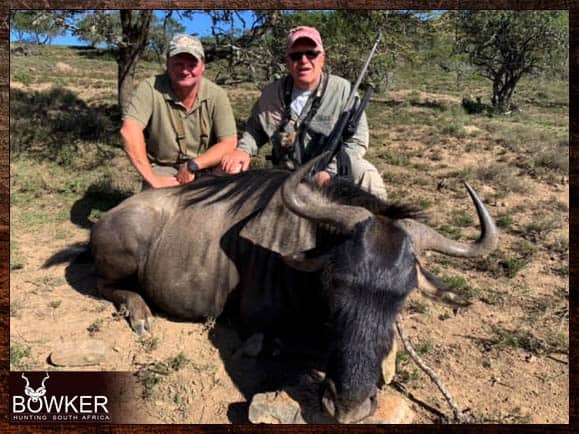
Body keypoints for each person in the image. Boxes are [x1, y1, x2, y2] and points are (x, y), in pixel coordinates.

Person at [220, 26, 387, 199]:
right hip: (286, 174)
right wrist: (243, 151)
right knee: (232, 171)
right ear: (287, 60)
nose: (304, 61)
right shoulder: (271, 94)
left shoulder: (343, 90)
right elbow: (255, 131)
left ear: (322, 58)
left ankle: (381, 223)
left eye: (311, 54)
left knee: (366, 174)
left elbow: (357, 140)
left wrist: (329, 172)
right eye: (296, 55)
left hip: (331, 172)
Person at [121, 34, 237, 189]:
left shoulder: (216, 94)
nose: (185, 71)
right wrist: (153, 179)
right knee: (157, 208)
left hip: (203, 166)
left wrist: (194, 165)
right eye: (178, 64)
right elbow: (129, 131)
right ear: (167, 64)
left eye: (192, 64)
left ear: (203, 66)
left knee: (236, 168)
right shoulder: (149, 88)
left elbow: (228, 142)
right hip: (164, 169)